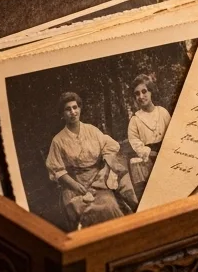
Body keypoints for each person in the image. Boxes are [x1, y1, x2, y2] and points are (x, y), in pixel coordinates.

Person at [45, 92, 135, 229]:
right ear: (62, 114)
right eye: (68, 109)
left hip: (99, 180)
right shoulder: (58, 141)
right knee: (77, 208)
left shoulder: (92, 130)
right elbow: (57, 169)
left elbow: (109, 147)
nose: (73, 112)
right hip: (75, 184)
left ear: (80, 109)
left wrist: (104, 170)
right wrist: (75, 185)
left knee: (109, 206)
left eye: (75, 107)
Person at [126, 74, 170, 195]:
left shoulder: (163, 112)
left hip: (167, 154)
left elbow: (172, 135)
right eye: (137, 93)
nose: (141, 96)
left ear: (150, 92)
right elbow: (137, 145)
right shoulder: (135, 120)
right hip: (149, 159)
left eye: (144, 91)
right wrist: (152, 154)